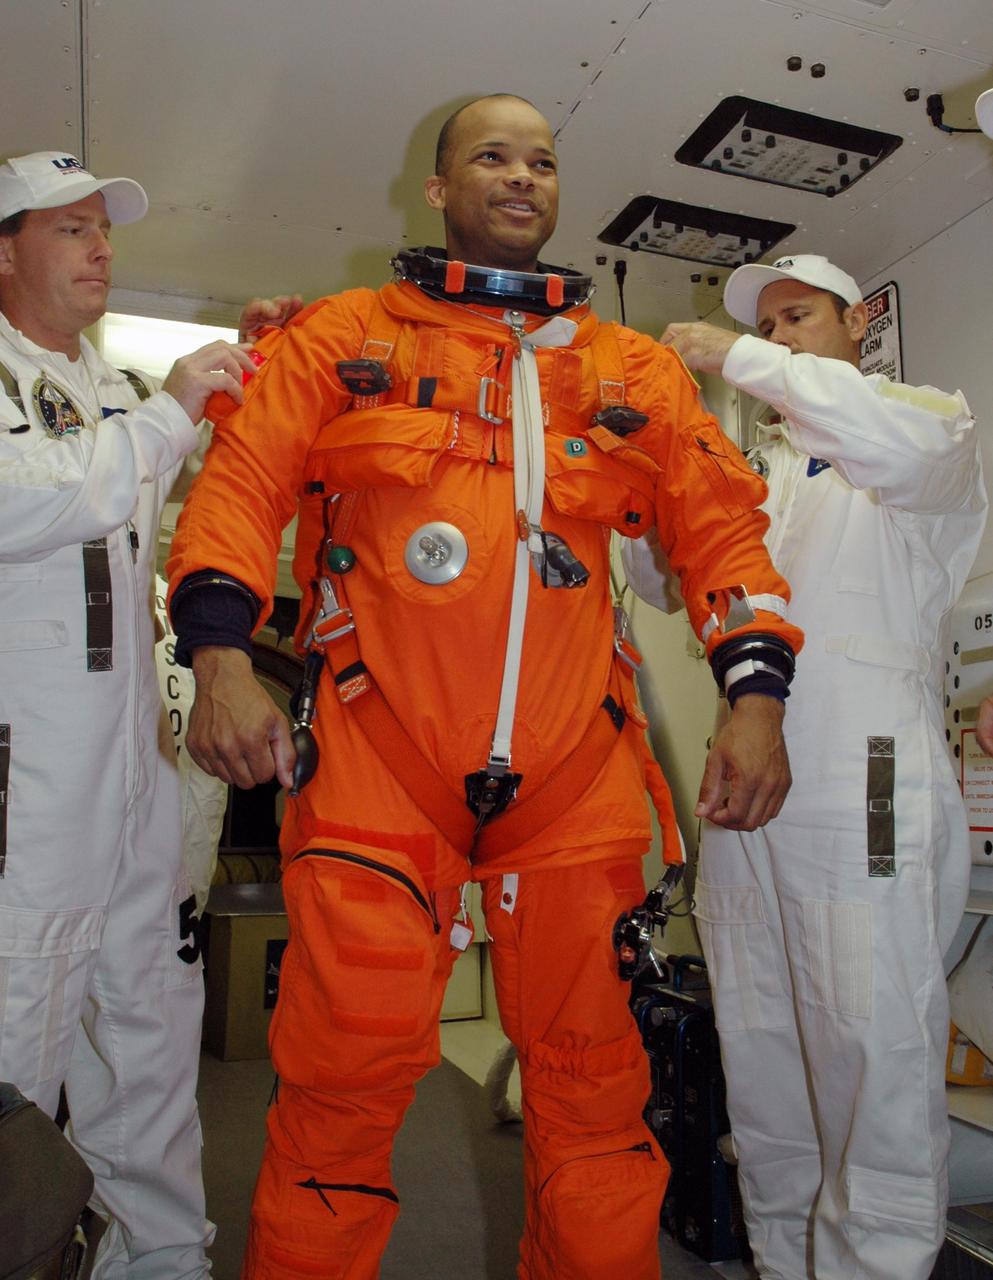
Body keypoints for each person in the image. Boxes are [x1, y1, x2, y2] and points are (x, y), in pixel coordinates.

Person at [166, 94, 803, 1280]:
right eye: (492, 158)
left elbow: (724, 537)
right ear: (440, 190)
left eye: (544, 161)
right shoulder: (343, 337)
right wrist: (218, 657)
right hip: (375, 768)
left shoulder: (633, 371)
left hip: (573, 783)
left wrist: (756, 699)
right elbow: (241, 490)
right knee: (339, 1094)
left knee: (597, 1104)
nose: (523, 177)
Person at [658, 254, 986, 1279]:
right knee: (760, 1036)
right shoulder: (757, 476)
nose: (784, 336)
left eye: (800, 317)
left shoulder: (925, 426)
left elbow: (877, 430)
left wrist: (738, 356)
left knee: (870, 1034)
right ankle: (783, 1257)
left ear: (857, 327)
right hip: (746, 782)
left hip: (871, 774)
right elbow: (664, 576)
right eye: (768, 325)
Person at [0, 149, 294, 1279]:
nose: (100, 246)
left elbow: (143, 476)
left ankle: (160, 1261)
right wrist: (172, 411)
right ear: (8, 249)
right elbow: (51, 494)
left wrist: (238, 366)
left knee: (151, 1047)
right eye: (70, 228)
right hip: (25, 795)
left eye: (103, 228)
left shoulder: (109, 390)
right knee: (19, 1054)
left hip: (131, 778)